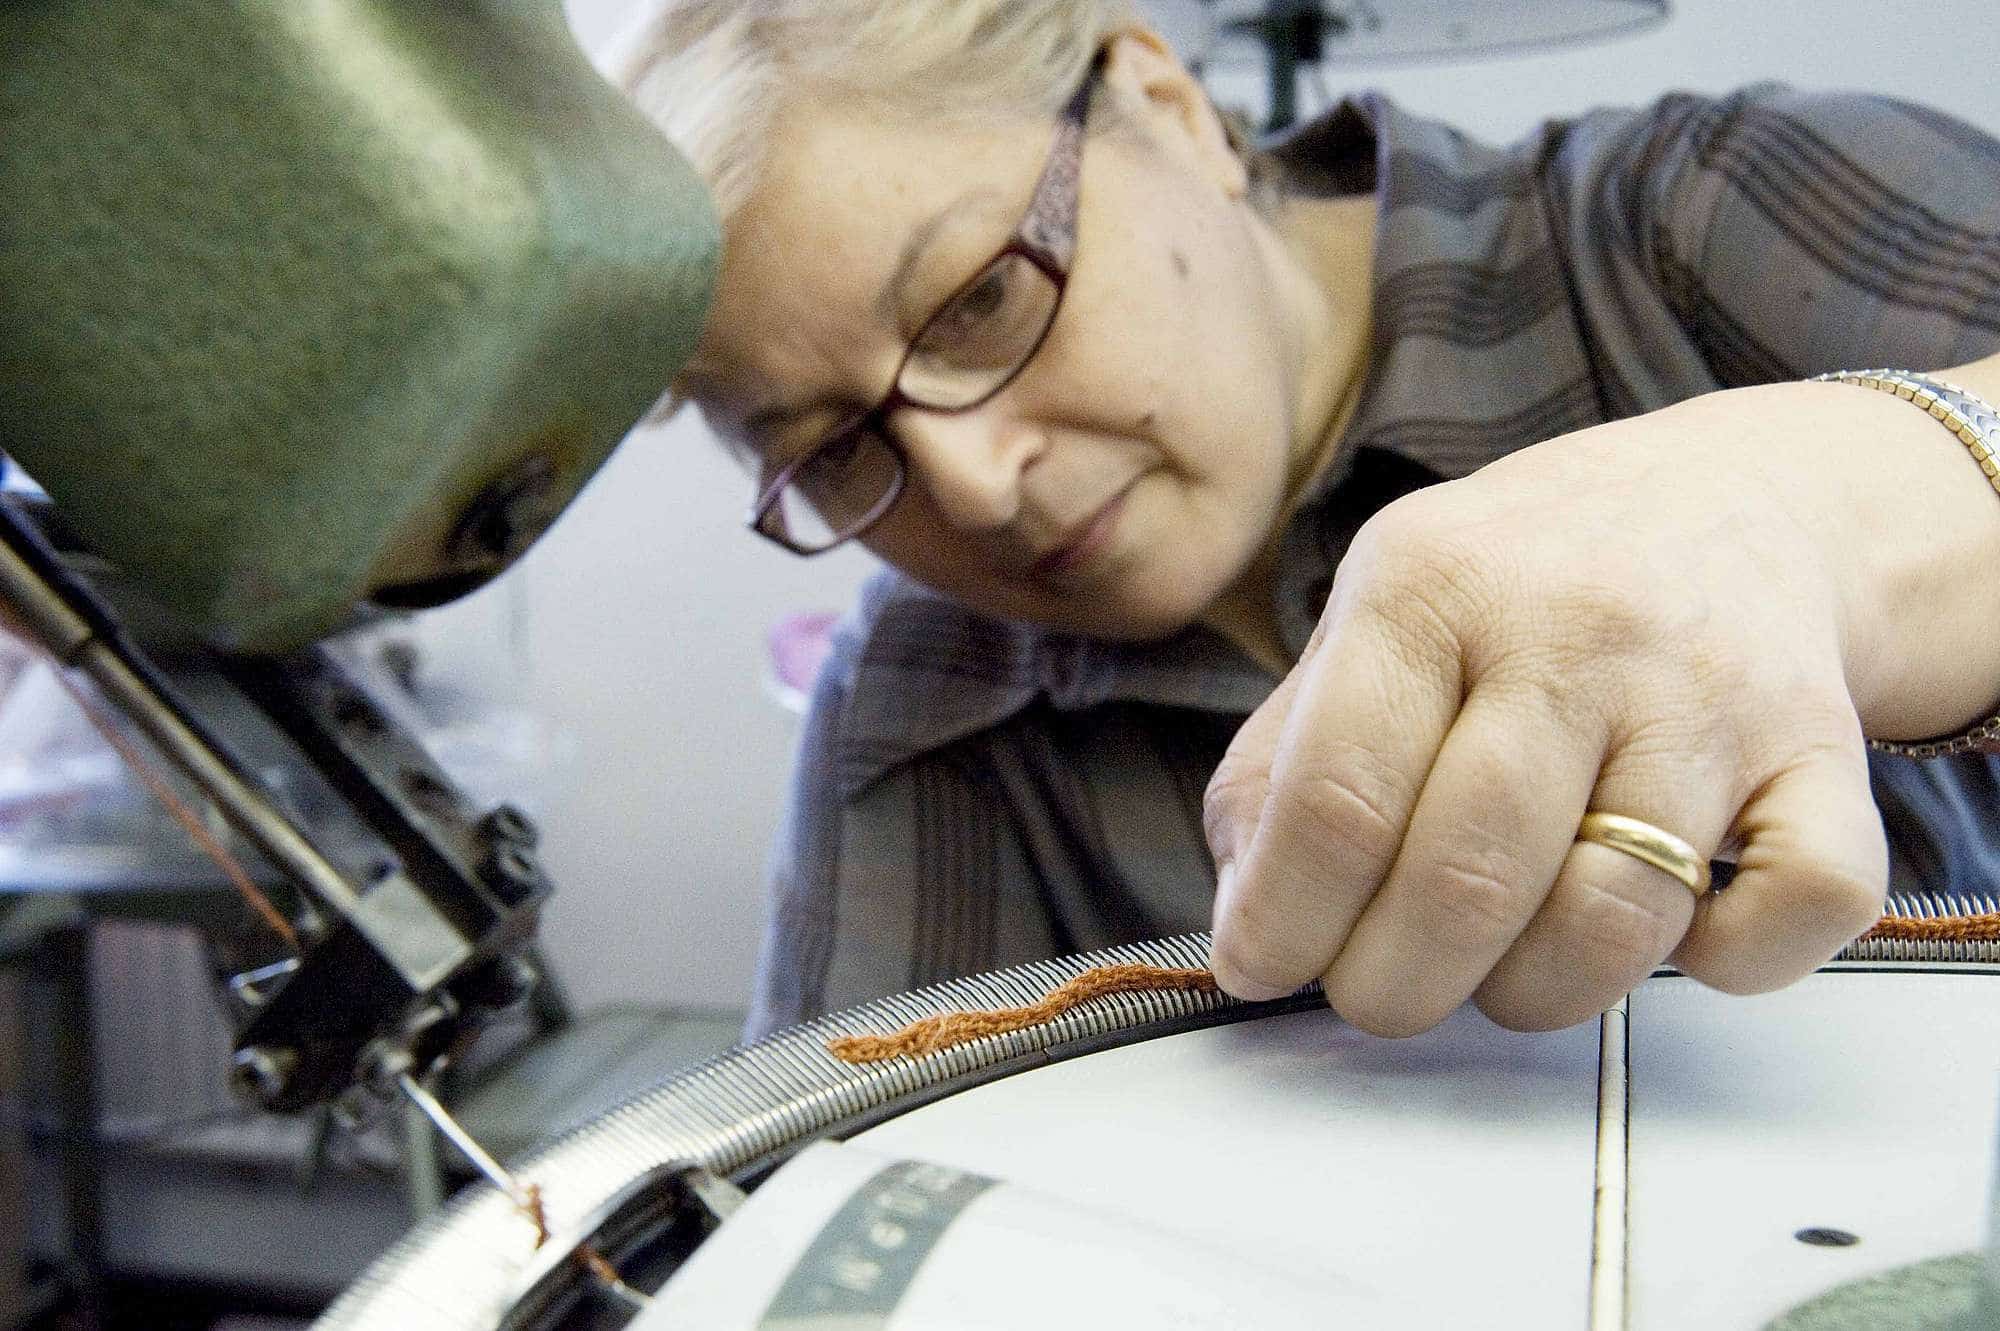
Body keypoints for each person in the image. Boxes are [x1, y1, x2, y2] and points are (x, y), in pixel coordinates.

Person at [611, 0, 2000, 1041]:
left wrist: (1814, 508)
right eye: (837, 448)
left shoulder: (1686, 224)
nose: (974, 483)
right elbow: (829, 1212)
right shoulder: (918, 708)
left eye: (981, 302)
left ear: (1166, 103)